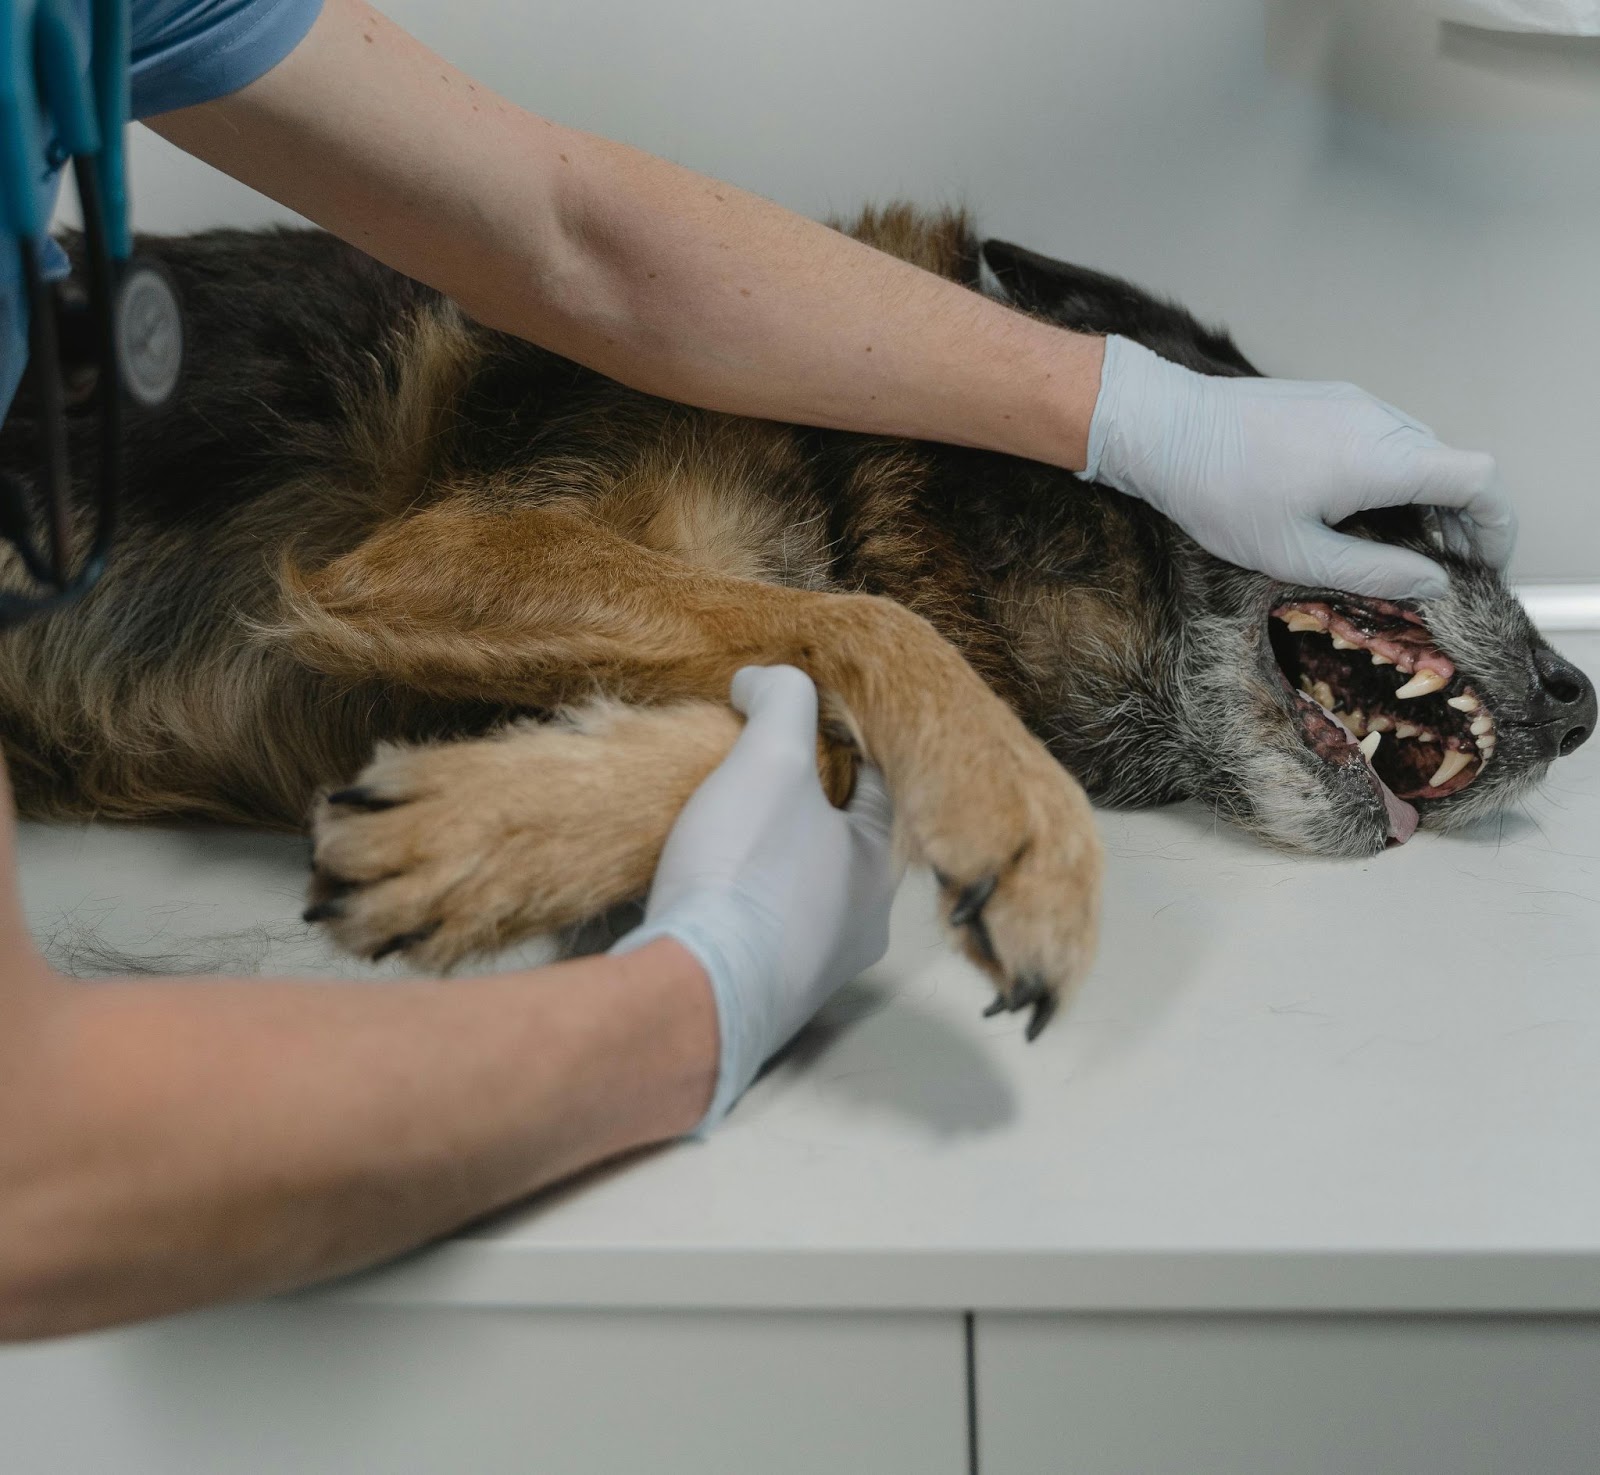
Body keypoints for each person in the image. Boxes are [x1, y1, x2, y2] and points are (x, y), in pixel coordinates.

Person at [0, 0, 1514, 1342]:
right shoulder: (782, 522)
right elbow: (410, 582)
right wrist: (707, 999)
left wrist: (1129, 406)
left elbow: (566, 229)